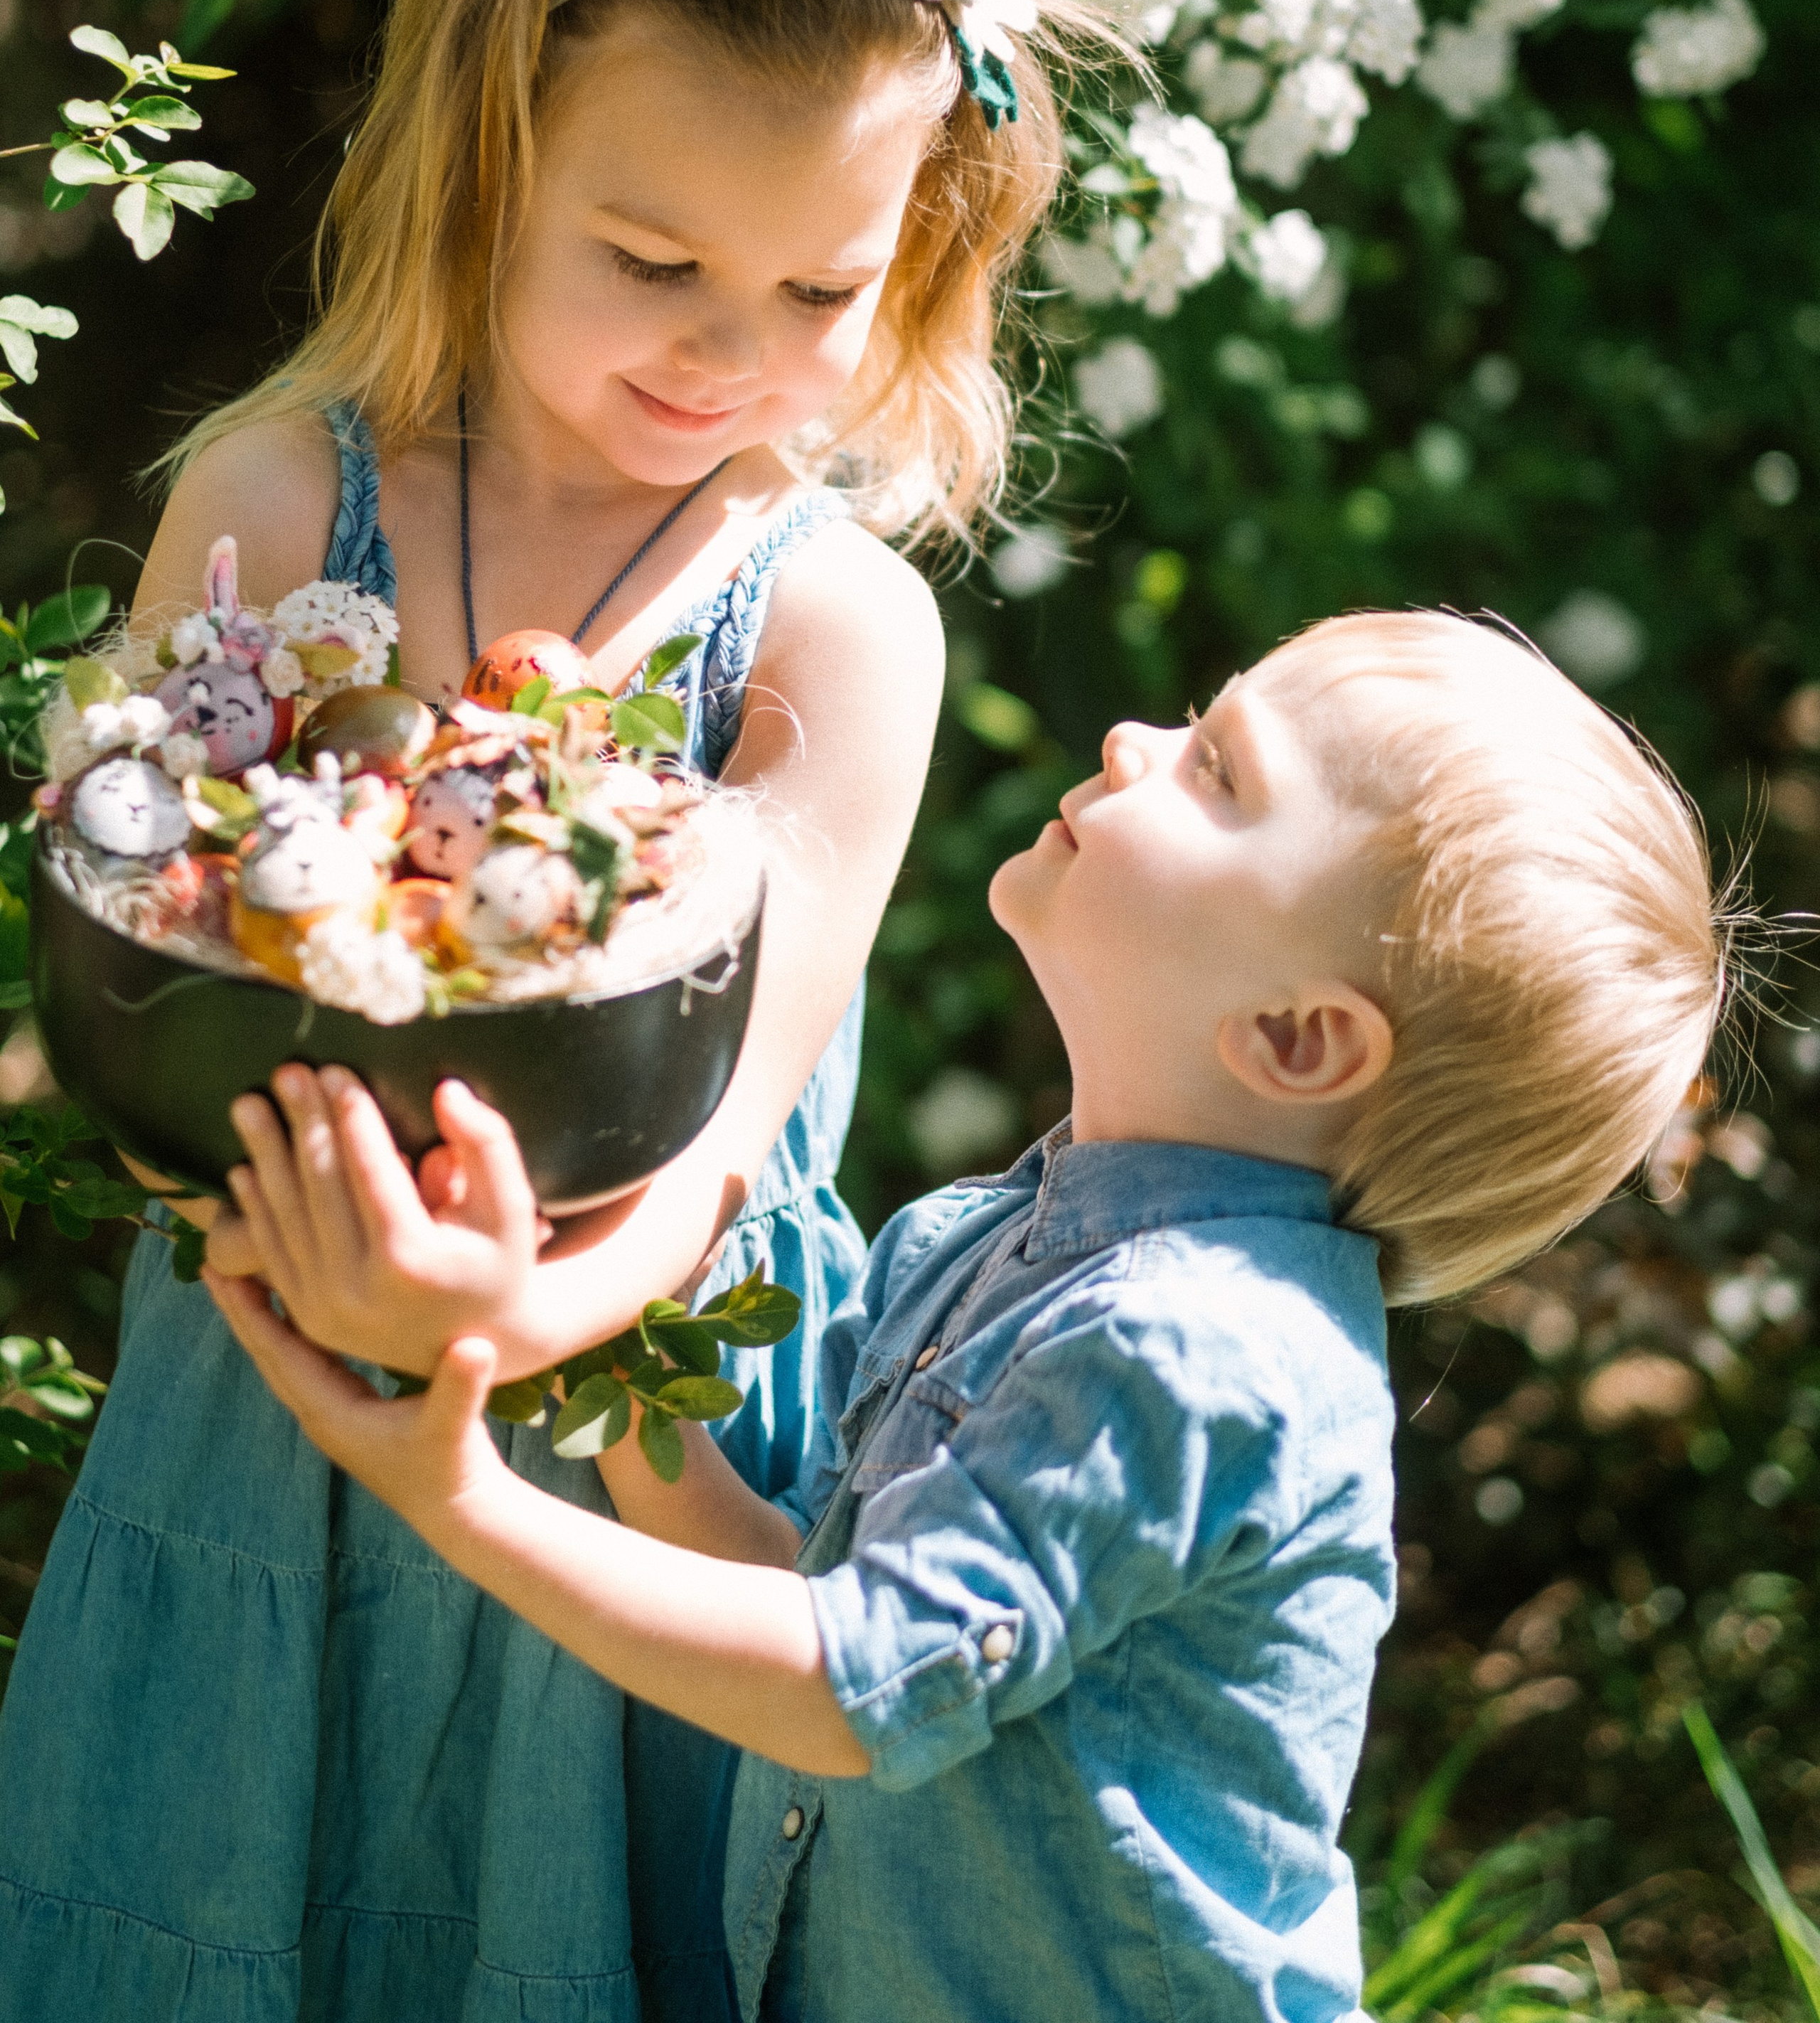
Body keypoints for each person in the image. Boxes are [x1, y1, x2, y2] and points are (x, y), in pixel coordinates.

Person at [0, 0, 1096, 2019]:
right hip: (268, 1360)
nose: (728, 357)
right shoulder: (280, 504)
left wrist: (501, 1330)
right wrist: (338, 1282)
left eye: (820, 296)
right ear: (490, 163)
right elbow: (125, 952)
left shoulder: (828, 620)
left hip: (631, 1434)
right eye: (649, 259)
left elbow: (712, 1138)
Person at [200, 611, 1734, 2023]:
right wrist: (576, 1329)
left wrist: (451, 1492)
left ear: (1293, 1036)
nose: (1135, 739)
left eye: (1213, 769)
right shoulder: (995, 1238)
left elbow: (835, 1691)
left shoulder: (1194, 1352)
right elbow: (788, 1587)